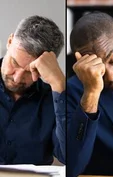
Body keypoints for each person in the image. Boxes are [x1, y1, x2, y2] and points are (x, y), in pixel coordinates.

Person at [66, 12, 113, 177]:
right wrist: (91, 93)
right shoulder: (72, 92)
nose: (110, 75)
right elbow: (72, 168)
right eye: (99, 68)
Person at [0, 15, 66, 165]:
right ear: (10, 41)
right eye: (14, 62)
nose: (17, 78)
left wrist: (59, 84)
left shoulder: (54, 99)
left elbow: (67, 157)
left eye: (30, 72)